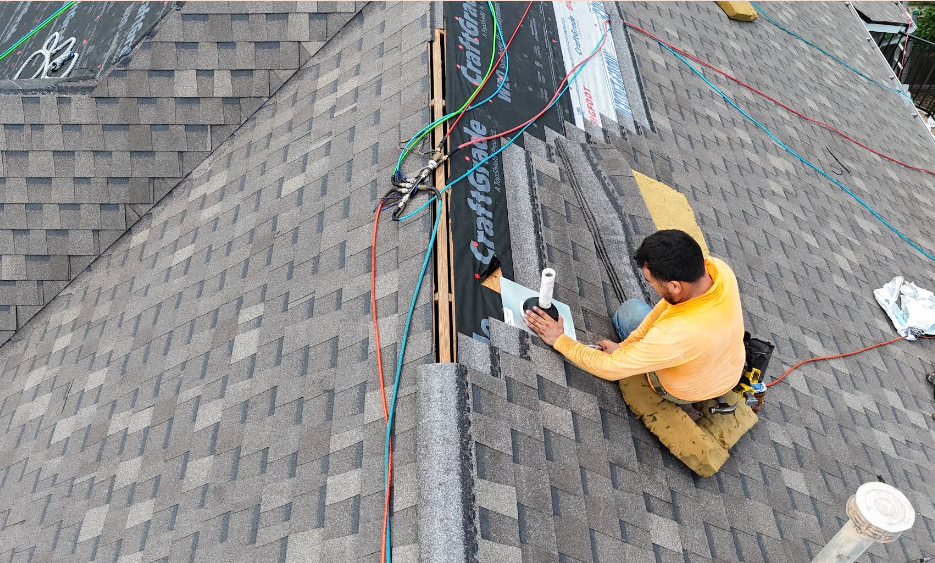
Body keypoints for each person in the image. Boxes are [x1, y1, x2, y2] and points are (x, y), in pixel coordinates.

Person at [523, 229, 746, 417]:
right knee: (632, 309)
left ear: (675, 286)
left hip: (683, 388)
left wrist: (560, 340)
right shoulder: (717, 270)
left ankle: (665, 389)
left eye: (651, 283)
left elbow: (609, 368)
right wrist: (624, 346)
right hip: (725, 364)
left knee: (627, 314)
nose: (651, 287)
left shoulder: (677, 335)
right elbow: (666, 307)